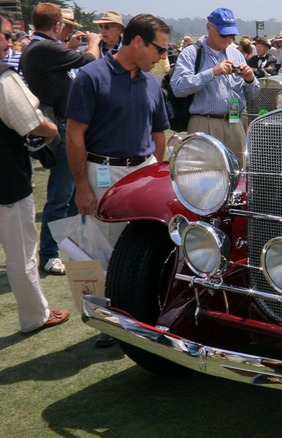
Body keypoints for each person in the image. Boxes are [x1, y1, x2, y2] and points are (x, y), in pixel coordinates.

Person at [66, 13, 170, 247]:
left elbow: (159, 134)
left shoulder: (152, 83)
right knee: (105, 250)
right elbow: (74, 133)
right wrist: (82, 187)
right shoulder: (91, 77)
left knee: (145, 246)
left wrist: (153, 177)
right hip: (104, 175)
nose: (163, 56)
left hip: (144, 173)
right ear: (138, 42)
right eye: (159, 49)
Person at [0, 11, 70, 333]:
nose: (11, 42)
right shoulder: (3, 77)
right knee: (22, 253)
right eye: (6, 35)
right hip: (8, 181)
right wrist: (53, 131)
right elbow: (32, 122)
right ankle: (35, 316)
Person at [20, 3, 100, 276]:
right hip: (61, 126)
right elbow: (90, 61)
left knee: (66, 196)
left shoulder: (39, 47)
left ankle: (62, 247)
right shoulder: (43, 48)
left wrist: (70, 45)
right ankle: (50, 254)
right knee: (61, 195)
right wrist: (95, 43)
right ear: (56, 26)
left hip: (63, 124)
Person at [170, 7, 260, 165]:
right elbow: (178, 88)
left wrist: (250, 80)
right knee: (204, 175)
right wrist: (212, 72)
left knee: (238, 174)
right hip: (205, 122)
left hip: (235, 121)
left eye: (232, 35)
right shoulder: (191, 53)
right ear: (209, 27)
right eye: (224, 34)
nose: (228, 40)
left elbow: (253, 95)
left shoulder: (237, 54)